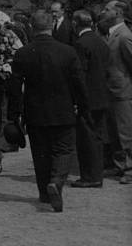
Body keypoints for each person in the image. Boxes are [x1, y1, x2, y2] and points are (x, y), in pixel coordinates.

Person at [8, 11, 90, 212]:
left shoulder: (23, 53)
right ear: (52, 25)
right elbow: (79, 82)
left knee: (40, 153)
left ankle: (45, 193)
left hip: (35, 112)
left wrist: (13, 115)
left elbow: (14, 87)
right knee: (64, 150)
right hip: (63, 110)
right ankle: (56, 182)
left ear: (32, 27)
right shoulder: (68, 51)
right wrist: (84, 106)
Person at [71, 9, 111, 188]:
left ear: (75, 24)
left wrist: (77, 100)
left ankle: (90, 176)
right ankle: (96, 174)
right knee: (97, 136)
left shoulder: (81, 44)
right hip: (102, 95)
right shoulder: (100, 42)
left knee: (87, 138)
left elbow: (80, 76)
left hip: (88, 98)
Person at [100, 0, 132, 184]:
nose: (103, 12)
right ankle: (120, 165)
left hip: (123, 91)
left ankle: (129, 168)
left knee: (125, 131)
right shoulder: (112, 34)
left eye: (107, 9)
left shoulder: (124, 36)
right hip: (112, 91)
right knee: (114, 131)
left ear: (118, 12)